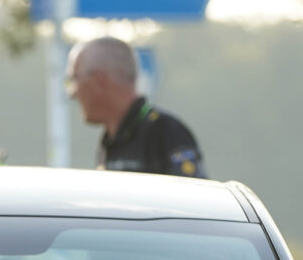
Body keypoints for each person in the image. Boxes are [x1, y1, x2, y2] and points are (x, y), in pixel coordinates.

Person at [67, 37, 206, 178]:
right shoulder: (111, 138)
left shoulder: (166, 132)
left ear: (99, 80)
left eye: (74, 79)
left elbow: (196, 197)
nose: (72, 93)